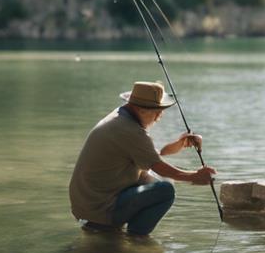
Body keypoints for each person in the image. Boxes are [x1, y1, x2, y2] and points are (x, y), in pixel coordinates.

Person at [68, 81, 216, 235]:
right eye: (157, 111)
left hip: (88, 205)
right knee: (165, 190)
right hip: (100, 209)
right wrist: (195, 176)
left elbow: (152, 155)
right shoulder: (129, 130)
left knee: (160, 179)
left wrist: (179, 144)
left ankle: (121, 233)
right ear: (139, 109)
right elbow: (157, 165)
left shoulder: (121, 117)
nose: (160, 116)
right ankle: (136, 238)